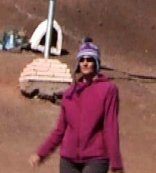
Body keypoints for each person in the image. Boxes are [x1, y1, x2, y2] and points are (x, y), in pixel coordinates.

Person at [29, 38, 124, 173]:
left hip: (96, 157)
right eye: (82, 59)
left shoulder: (108, 90)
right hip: (69, 158)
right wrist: (41, 153)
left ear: (96, 63)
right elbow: (60, 130)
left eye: (89, 59)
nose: (85, 63)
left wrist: (116, 164)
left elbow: (110, 126)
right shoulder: (69, 93)